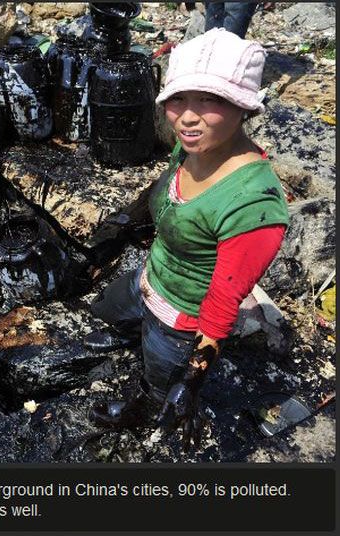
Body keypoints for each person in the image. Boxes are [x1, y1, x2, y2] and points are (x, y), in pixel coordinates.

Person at [86, 28, 289, 451]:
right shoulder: (196, 146)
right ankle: (133, 338)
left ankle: (147, 406)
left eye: (211, 100)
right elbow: (164, 187)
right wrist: (121, 226)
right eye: (178, 99)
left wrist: (193, 380)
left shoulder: (254, 205)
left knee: (162, 382)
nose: (188, 117)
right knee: (103, 313)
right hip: (149, 277)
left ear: (243, 106)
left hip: (182, 318)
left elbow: (222, 301)